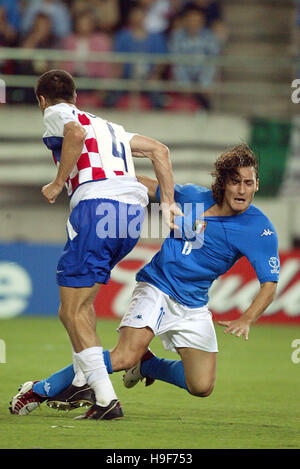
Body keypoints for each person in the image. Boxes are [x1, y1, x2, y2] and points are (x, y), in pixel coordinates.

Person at [10, 143, 280, 417]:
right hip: (157, 286)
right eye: (236, 182)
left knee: (201, 385)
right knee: (124, 355)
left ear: (257, 185)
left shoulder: (259, 229)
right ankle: (40, 388)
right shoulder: (190, 196)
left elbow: (269, 284)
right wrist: (103, 180)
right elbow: (144, 184)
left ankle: (146, 365)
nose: (242, 190)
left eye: (248, 183)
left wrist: (247, 318)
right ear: (223, 183)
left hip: (194, 303)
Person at [9, 69, 179, 421]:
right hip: (130, 217)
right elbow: (160, 151)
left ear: (42, 100)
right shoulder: (112, 128)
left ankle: (105, 398)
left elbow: (74, 133)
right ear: (75, 95)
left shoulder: (59, 114)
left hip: (96, 207)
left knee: (71, 310)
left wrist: (58, 183)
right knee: (80, 306)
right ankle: (86, 379)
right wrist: (169, 203)